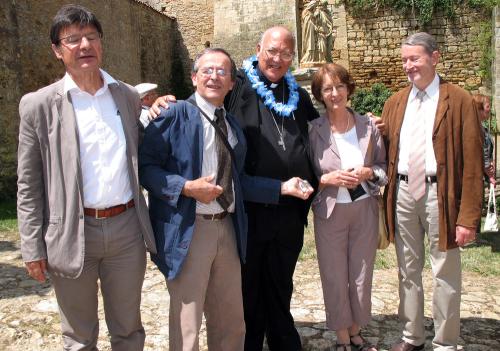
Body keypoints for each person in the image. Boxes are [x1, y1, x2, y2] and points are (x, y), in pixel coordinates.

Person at [151, 26, 320, 351]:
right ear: (259, 49)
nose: (278, 58)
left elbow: (321, 129)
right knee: (248, 290)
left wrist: (360, 122)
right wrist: (163, 103)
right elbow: (204, 96)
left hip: (289, 213)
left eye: (286, 53)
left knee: (281, 283)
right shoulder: (238, 84)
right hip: (249, 210)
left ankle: (284, 341)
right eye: (272, 51)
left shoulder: (298, 95)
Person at [16, 4, 156, 350]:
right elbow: (28, 183)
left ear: (101, 43)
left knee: (128, 329)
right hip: (70, 232)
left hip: (126, 230)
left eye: (91, 37)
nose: (84, 46)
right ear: (57, 51)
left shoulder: (126, 96)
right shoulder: (39, 105)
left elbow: (145, 153)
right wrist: (33, 246)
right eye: (73, 39)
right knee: (78, 336)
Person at [381, 32, 483, 351]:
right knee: (407, 269)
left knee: (445, 271)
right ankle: (412, 336)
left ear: (434, 58)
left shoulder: (460, 99)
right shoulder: (395, 102)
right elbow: (383, 150)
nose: (408, 66)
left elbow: (472, 163)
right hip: (402, 194)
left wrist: (467, 218)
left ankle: (445, 343)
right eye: (404, 60)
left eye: (415, 58)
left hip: (441, 195)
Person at [308, 63, 387, 351]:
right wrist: (326, 179)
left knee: (361, 275)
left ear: (348, 88)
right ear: (319, 94)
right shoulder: (313, 130)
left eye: (339, 86)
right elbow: (307, 175)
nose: (334, 93)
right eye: (327, 88)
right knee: (334, 276)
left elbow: (383, 168)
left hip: (364, 209)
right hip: (330, 212)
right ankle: (342, 337)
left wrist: (368, 173)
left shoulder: (369, 126)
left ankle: (356, 331)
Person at [300, 0, 334, 65]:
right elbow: (308, 22)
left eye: (322, 6)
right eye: (317, 6)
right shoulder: (306, 12)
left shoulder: (322, 13)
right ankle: (309, 59)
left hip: (320, 33)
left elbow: (325, 22)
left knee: (321, 46)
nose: (318, 7)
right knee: (310, 45)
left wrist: (319, 28)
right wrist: (315, 26)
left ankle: (322, 58)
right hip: (309, 33)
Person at [473, 94, 496, 185]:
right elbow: (482, 151)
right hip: (475, 178)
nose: (490, 109)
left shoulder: (481, 127)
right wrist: (489, 173)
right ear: (479, 109)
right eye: (487, 106)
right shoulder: (475, 129)